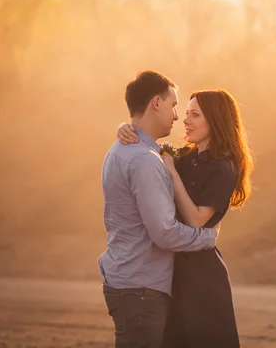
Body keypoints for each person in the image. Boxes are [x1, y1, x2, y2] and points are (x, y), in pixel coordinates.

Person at [116, 88, 253, 348]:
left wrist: (173, 174)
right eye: (186, 113)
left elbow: (196, 220)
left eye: (195, 114)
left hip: (202, 276)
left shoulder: (223, 167)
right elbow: (147, 149)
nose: (185, 120)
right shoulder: (184, 156)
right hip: (171, 269)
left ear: (215, 120)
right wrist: (124, 128)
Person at [99, 70, 219, 348]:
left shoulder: (122, 149)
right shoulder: (144, 160)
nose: (177, 116)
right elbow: (164, 233)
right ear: (156, 103)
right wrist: (208, 237)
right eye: (174, 105)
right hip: (140, 287)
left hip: (130, 281)